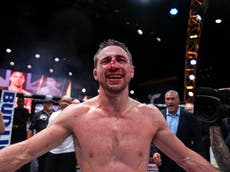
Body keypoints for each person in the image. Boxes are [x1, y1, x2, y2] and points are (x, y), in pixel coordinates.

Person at [0, 39, 219, 172]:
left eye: (120, 60)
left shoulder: (150, 115)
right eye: (106, 61)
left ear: (131, 71)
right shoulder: (76, 115)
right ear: (96, 73)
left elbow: (187, 159)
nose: (113, 65)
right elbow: (24, 152)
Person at [152, 90, 203, 172]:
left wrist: (195, 159)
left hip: (184, 161)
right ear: (165, 101)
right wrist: (154, 152)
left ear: (178, 100)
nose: (170, 101)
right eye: (167, 99)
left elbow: (198, 141)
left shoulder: (190, 117)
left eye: (173, 99)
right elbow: (152, 136)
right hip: (163, 161)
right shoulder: (159, 116)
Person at [44, 95, 79, 172]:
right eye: (63, 101)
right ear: (59, 102)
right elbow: (48, 131)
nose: (65, 103)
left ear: (71, 104)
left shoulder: (76, 116)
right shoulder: (53, 115)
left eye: (68, 102)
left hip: (68, 151)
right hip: (53, 150)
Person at [27, 100, 54, 172]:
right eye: (47, 102)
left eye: (51, 103)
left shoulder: (56, 114)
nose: (50, 104)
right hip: (41, 144)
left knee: (52, 165)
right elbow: (31, 129)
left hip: (54, 144)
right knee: (41, 164)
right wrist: (28, 143)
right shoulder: (37, 115)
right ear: (43, 104)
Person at [11, 97, 30, 172]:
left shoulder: (26, 111)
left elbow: (26, 122)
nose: (21, 103)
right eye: (19, 101)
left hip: (22, 134)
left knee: (22, 151)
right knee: (14, 150)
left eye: (22, 101)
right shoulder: (14, 110)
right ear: (17, 102)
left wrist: (17, 126)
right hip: (14, 134)